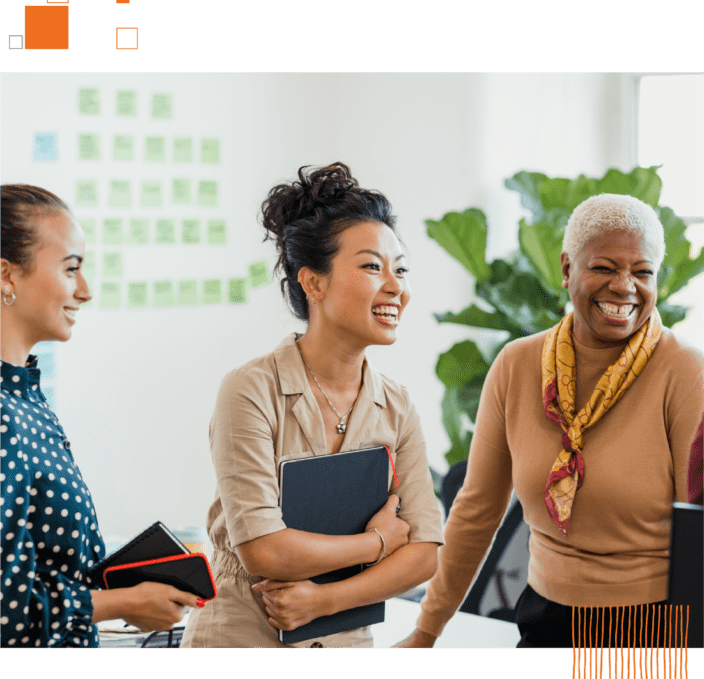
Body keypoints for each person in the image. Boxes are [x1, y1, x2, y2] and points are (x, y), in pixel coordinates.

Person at [395, 193, 704, 649]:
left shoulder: (684, 372)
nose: (624, 287)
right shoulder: (518, 364)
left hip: (651, 632)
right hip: (544, 619)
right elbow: (476, 511)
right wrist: (425, 632)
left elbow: (696, 534)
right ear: (566, 269)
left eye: (643, 272)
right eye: (603, 267)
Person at [180, 163, 444, 648]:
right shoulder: (249, 390)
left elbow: (425, 553)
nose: (396, 286)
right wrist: (379, 543)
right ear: (313, 283)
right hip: (240, 635)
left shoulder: (397, 406)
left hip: (346, 636)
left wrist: (325, 601)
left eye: (400, 268)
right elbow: (265, 550)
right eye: (372, 266)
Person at [0, 184, 202, 647]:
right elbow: (6, 611)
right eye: (71, 269)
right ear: (7, 275)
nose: (85, 291)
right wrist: (123, 604)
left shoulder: (25, 398)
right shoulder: (5, 415)